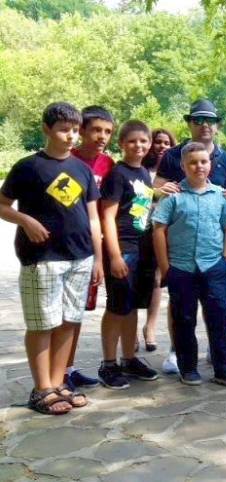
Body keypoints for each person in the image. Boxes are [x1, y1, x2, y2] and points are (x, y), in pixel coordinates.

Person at [0, 102, 102, 414]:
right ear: (47, 129)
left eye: (75, 130)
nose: (71, 136)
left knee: (69, 322)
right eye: (63, 130)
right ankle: (42, 389)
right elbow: (2, 204)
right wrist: (25, 221)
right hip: (42, 258)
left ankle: (58, 384)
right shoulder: (28, 167)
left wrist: (98, 259)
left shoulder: (82, 169)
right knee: (43, 324)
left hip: (80, 258)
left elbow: (93, 217)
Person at [153, 99, 226, 374]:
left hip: (214, 262)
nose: (205, 125)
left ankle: (223, 367)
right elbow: (158, 220)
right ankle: (185, 365)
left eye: (210, 120)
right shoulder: (172, 163)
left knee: (218, 317)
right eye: (198, 120)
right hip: (180, 263)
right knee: (183, 317)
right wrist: (166, 267)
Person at [96, 120, 160, 389]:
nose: (138, 146)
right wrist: (114, 256)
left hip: (142, 249)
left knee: (132, 306)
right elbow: (107, 217)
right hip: (123, 249)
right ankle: (108, 364)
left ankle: (129, 359)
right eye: (132, 141)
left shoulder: (143, 173)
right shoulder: (117, 174)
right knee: (116, 307)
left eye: (143, 141)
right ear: (122, 144)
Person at [65, 105, 117, 391]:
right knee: (60, 315)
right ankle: (55, 373)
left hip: (91, 247)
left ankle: (68, 368)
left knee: (76, 312)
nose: (102, 137)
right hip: (64, 247)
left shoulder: (108, 165)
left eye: (107, 132)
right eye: (96, 130)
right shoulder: (67, 159)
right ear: (81, 130)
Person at [138, 128, 177, 353]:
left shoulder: (174, 168)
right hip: (138, 230)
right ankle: (130, 331)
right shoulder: (140, 168)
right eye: (158, 141)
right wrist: (156, 191)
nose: (162, 146)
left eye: (167, 143)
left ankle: (150, 327)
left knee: (157, 279)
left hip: (163, 230)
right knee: (135, 279)